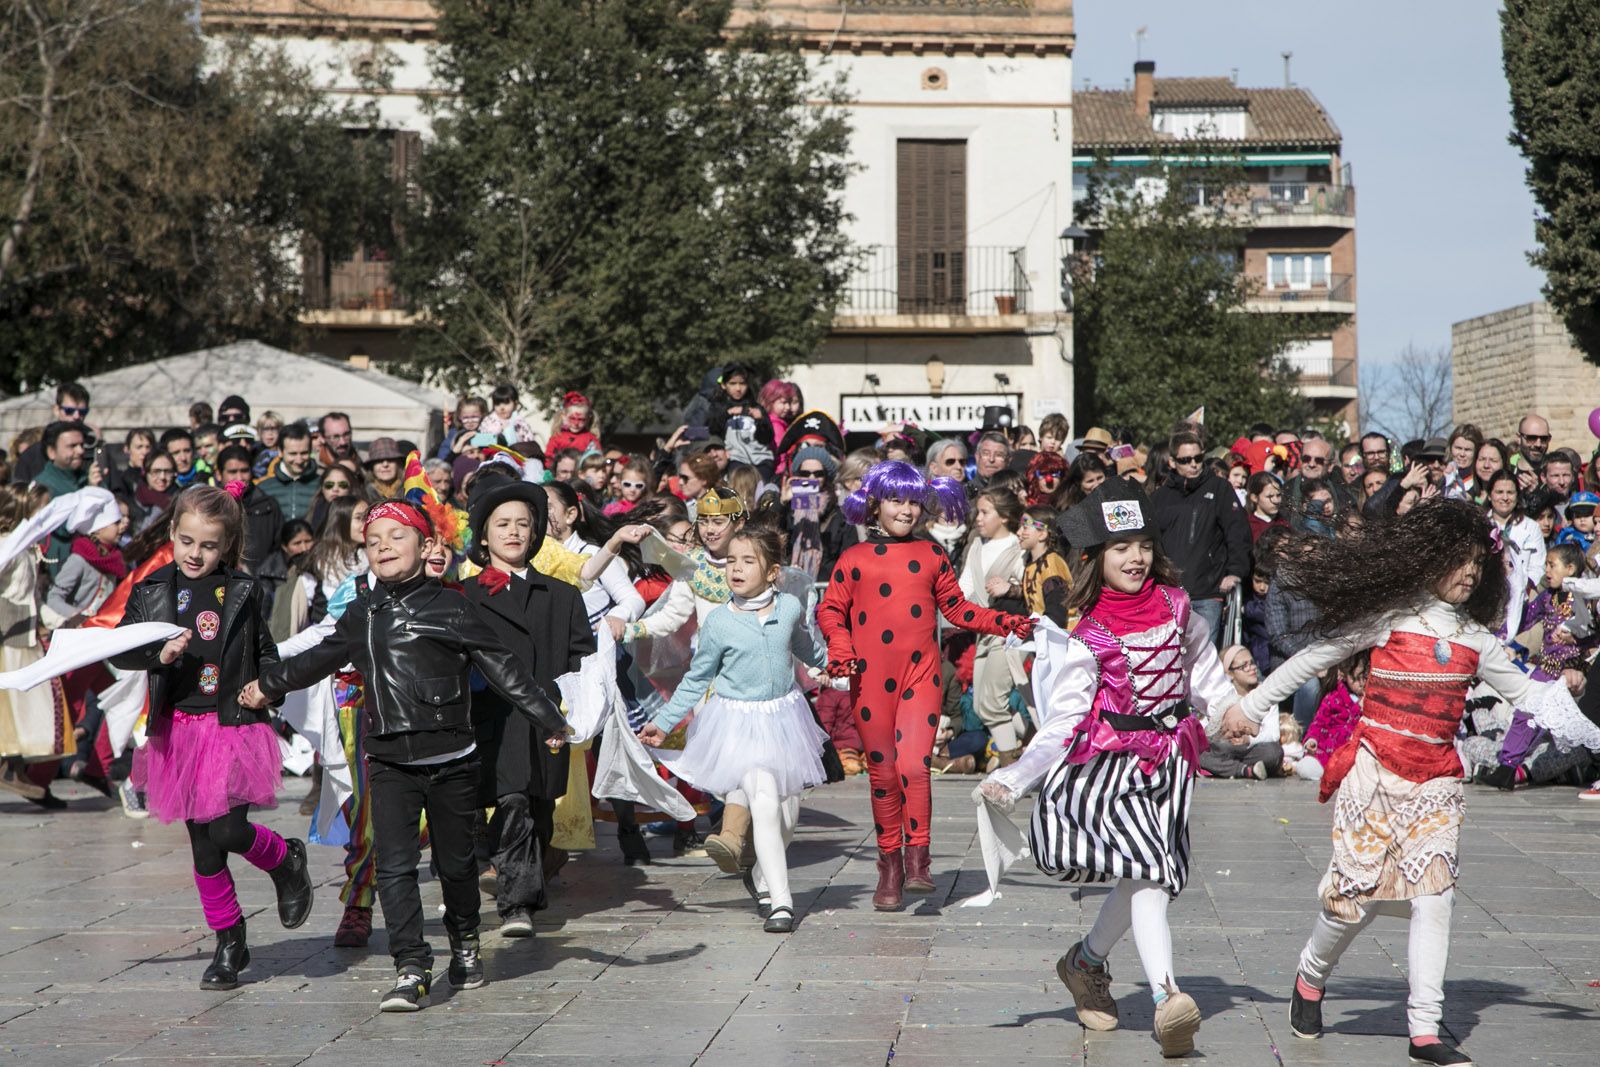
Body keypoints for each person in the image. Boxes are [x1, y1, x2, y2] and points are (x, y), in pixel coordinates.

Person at [1217, 499, 1600, 1067]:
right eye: (1458, 560)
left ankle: (1424, 1027)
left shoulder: (1476, 637)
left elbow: (1526, 694)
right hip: (1374, 772)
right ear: (1425, 560)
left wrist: (1572, 698)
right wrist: (1251, 705)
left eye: (1478, 562)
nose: (1470, 572)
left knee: (1434, 895)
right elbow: (1314, 657)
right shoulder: (1388, 616)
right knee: (1354, 903)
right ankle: (1311, 974)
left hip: (1436, 783)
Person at [250, 499, 569, 1012]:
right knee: (394, 868)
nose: (383, 548)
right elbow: (317, 659)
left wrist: (550, 720)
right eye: (373, 541)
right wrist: (265, 687)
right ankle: (411, 965)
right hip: (390, 759)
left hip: (453, 759)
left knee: (457, 866)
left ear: (426, 547)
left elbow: (503, 668)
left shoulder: (455, 606)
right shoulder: (360, 614)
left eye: (396, 538)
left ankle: (465, 942)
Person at [976, 478, 1240, 1059]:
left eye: (1144, 545)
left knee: (1143, 872)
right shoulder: (1087, 635)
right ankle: (1170, 998)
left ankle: (1085, 961)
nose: (1136, 557)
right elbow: (1064, 721)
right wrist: (1013, 778)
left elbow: (1202, 672)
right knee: (1149, 872)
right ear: (1096, 557)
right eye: (1121, 547)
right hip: (1112, 773)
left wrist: (1226, 713)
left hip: (1169, 766)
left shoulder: (1175, 606)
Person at [109, 485, 315, 991]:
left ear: (227, 546)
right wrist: (160, 655)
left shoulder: (242, 590)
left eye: (208, 545)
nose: (195, 554)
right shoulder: (151, 587)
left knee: (227, 830)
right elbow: (122, 651)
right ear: (172, 536)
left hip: (231, 725)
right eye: (186, 541)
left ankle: (284, 859)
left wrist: (268, 688)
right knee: (204, 849)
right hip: (177, 730)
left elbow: (266, 649)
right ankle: (229, 940)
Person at [817, 461, 1033, 911]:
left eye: (915, 502)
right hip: (869, 680)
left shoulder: (932, 555)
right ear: (875, 504)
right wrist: (839, 643)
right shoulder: (853, 559)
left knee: (914, 768)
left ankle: (919, 861)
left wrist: (1005, 621)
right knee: (883, 773)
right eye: (898, 500)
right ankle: (889, 866)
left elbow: (959, 610)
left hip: (921, 677)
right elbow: (831, 609)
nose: (908, 510)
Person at [639, 526, 828, 933]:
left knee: (786, 816)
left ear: (773, 572)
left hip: (784, 720)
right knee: (761, 799)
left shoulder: (790, 608)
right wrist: (664, 721)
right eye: (731, 561)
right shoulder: (720, 623)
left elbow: (806, 646)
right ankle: (782, 902)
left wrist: (829, 665)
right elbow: (695, 678)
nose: (736, 569)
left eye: (748, 561)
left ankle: (761, 876)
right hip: (737, 724)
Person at [462, 480, 593, 937]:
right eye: (502, 524)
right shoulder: (464, 596)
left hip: (547, 722)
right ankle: (516, 903)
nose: (514, 532)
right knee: (513, 797)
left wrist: (574, 713)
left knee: (537, 806)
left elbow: (582, 662)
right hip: (491, 720)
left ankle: (527, 891)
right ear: (483, 535)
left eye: (523, 523)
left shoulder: (562, 596)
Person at [1152, 430, 1250, 643]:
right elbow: (1151, 544)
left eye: (1198, 458)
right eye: (1185, 460)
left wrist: (1235, 572)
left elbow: (1238, 531)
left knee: (1204, 662)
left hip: (1207, 593)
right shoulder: (1159, 497)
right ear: (1172, 462)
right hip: (1169, 594)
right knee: (1170, 660)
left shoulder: (1219, 488)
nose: (1193, 464)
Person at [960, 489, 1028, 762]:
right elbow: (964, 587)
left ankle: (1010, 764)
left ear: (1004, 516)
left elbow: (1030, 588)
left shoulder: (1017, 547)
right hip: (983, 631)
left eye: (986, 512)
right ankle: (1037, 737)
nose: (979, 518)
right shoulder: (977, 546)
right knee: (980, 705)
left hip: (1009, 631)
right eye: (978, 511)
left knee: (993, 703)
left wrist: (1009, 588)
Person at [1485, 469, 1545, 639]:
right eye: (1499, 492)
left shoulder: (1530, 527)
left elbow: (1538, 566)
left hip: (1521, 599)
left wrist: (1523, 587)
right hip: (1486, 597)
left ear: (1518, 496)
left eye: (1510, 492)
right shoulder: (1480, 524)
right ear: (1490, 495)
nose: (1505, 497)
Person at [9, 382, 94, 487]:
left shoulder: (95, 450)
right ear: (56, 410)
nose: (76, 416)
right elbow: (19, 496)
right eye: (69, 411)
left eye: (82, 412)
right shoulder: (32, 455)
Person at [216, 446, 281, 576]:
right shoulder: (211, 507)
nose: (240, 477)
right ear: (219, 474)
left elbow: (278, 549)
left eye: (244, 471)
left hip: (261, 582)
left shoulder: (268, 506)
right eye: (232, 472)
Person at [1018, 505, 1071, 628]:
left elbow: (1057, 613)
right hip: (1041, 633)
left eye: (1024, 527)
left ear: (1042, 534)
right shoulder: (1032, 565)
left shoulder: (1051, 564)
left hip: (1061, 636)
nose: (1018, 532)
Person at [257, 423, 320, 520]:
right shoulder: (264, 488)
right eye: (293, 454)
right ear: (280, 452)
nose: (299, 460)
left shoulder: (322, 485)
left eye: (304, 453)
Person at [545, 390, 599, 454]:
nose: (576, 423)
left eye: (581, 419)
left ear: (588, 419)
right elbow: (548, 458)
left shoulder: (590, 439)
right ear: (564, 416)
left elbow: (596, 460)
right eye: (572, 418)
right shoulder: (557, 438)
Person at [1246, 472, 1288, 544]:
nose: (1276, 501)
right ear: (1254, 498)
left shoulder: (1284, 523)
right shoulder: (1248, 527)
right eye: (1270, 496)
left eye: (1278, 495)